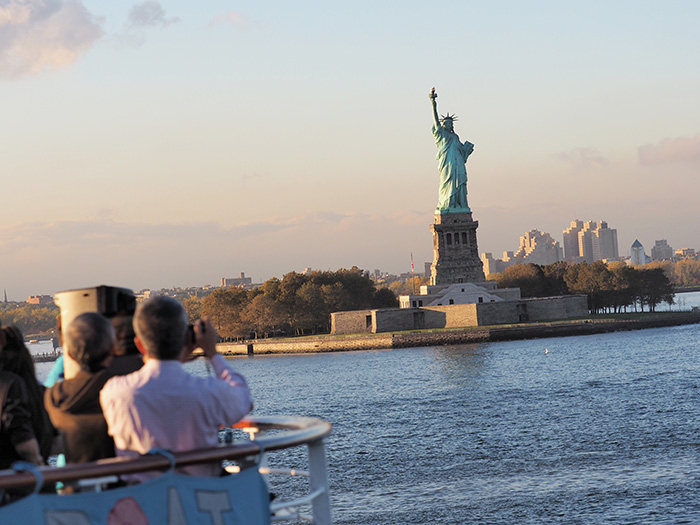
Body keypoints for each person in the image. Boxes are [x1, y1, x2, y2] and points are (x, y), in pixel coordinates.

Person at [100, 296, 253, 482]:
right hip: (200, 501)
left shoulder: (114, 392)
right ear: (187, 338)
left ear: (140, 344)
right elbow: (243, 399)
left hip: (141, 503)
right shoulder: (208, 392)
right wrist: (212, 353)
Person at [44, 313, 116, 464]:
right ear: (112, 349)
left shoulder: (53, 395)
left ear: (69, 354)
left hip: (70, 479)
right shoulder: (121, 388)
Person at [0, 325, 55, 469]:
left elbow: (23, 438)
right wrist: (40, 464)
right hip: (37, 482)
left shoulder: (9, 388)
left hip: (13, 481)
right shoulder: (41, 394)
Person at [429, 87, 474, 213]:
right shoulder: (441, 135)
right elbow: (435, 119)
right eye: (445, 123)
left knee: (460, 181)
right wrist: (433, 102)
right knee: (446, 184)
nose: (448, 124)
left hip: (458, 164)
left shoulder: (455, 137)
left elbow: (462, 154)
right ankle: (448, 205)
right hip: (447, 164)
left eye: (450, 123)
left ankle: (459, 205)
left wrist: (467, 150)